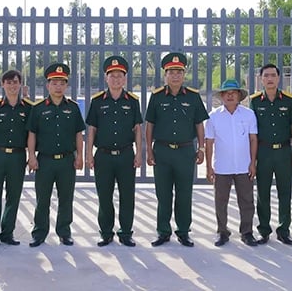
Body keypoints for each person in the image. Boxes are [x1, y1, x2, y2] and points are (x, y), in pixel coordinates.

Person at [145, 52, 209, 247]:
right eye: (171, 72)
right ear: (165, 74)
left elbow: (199, 124)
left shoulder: (193, 96)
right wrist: (148, 149)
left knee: (184, 193)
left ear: (184, 74)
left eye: (179, 72)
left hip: (185, 151)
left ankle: (183, 231)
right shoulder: (156, 97)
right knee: (163, 194)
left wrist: (202, 148)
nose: (175, 76)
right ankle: (163, 231)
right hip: (162, 151)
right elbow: (150, 125)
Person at [85, 55, 143, 247]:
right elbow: (91, 129)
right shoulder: (97, 101)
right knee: (104, 195)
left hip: (126, 155)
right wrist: (88, 155)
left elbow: (138, 129)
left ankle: (125, 232)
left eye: (120, 76)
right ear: (106, 78)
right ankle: (106, 232)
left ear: (125, 79)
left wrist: (139, 153)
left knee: (127, 195)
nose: (116, 79)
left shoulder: (133, 101)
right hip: (103, 155)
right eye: (112, 76)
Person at [27, 62, 85, 247]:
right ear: (48, 85)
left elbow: (78, 133)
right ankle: (39, 232)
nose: (58, 86)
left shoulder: (73, 107)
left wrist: (80, 156)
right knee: (42, 199)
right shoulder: (38, 108)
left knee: (66, 198)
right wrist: (32, 156)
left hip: (67, 160)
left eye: (62, 83)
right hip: (44, 160)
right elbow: (32, 134)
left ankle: (64, 232)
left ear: (66, 85)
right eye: (54, 83)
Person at [0, 70, 34, 249]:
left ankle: (7, 232)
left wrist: (31, 155)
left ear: (20, 85)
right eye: (8, 82)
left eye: (15, 82)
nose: (12, 86)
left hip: (18, 156)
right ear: (2, 85)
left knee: (14, 195)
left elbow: (31, 135)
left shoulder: (28, 108)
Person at [205, 79, 259, 247]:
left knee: (247, 200)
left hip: (244, 165)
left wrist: (253, 163)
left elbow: (253, 139)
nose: (230, 96)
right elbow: (209, 142)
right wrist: (209, 167)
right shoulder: (214, 116)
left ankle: (247, 232)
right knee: (221, 201)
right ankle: (222, 232)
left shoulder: (248, 114)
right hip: (222, 166)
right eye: (226, 93)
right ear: (221, 96)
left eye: (233, 93)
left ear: (239, 96)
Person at [249, 63, 292, 245]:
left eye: (273, 75)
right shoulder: (255, 101)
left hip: (283, 151)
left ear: (278, 78)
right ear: (261, 79)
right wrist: (252, 158)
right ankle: (264, 230)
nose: (270, 79)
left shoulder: (289, 99)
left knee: (285, 191)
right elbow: (252, 132)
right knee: (263, 192)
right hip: (263, 151)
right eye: (266, 76)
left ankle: (284, 230)